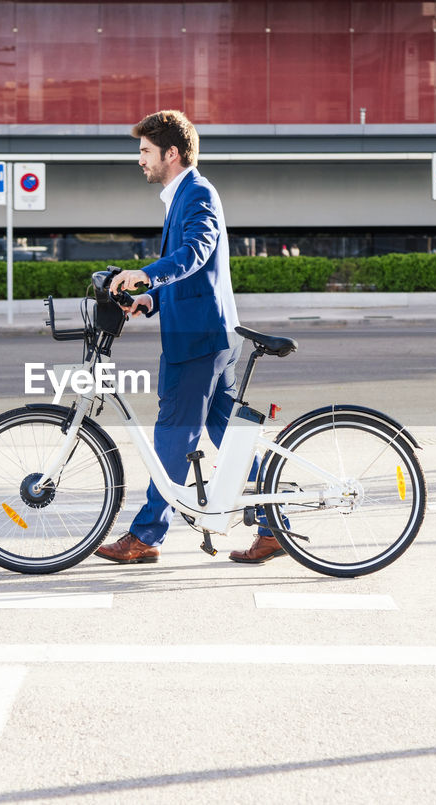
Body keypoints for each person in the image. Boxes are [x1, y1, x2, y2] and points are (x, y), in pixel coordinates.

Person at [94, 110, 284, 566]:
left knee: (172, 439)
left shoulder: (196, 194)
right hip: (208, 333)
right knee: (227, 437)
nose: (139, 160)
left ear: (171, 153)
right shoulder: (181, 195)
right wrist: (151, 301)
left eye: (145, 151)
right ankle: (274, 525)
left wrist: (146, 275)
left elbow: (195, 254)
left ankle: (145, 535)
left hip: (196, 341)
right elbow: (191, 275)